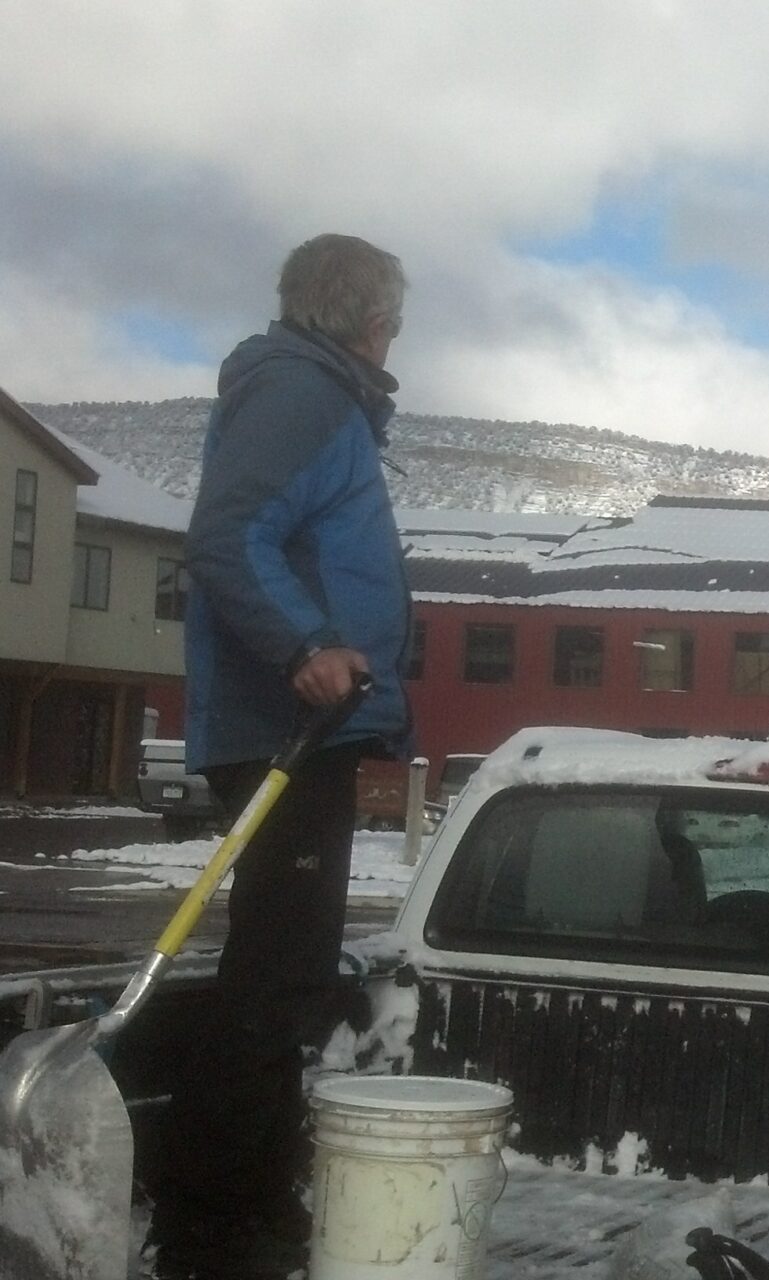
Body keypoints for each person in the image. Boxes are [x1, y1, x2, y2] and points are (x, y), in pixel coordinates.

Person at [150, 234, 415, 1280]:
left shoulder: (317, 394)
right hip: (287, 730)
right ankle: (217, 1225)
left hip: (311, 727)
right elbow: (223, 537)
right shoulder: (303, 395)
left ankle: (240, 1198)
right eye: (394, 318)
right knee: (274, 981)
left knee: (283, 972)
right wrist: (306, 646)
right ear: (369, 319)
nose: (396, 335)